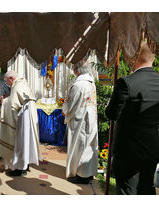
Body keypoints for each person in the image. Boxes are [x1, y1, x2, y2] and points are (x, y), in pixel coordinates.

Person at [106, 41, 159, 195]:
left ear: (135, 57)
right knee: (146, 189)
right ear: (153, 59)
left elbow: (111, 114)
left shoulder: (127, 83)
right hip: (152, 148)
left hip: (129, 152)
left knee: (128, 192)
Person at [62, 58, 98, 184]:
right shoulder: (90, 82)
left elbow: (72, 103)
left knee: (79, 146)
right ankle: (88, 173)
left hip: (80, 120)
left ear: (77, 70)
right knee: (89, 146)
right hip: (90, 118)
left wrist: (65, 111)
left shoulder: (79, 84)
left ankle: (81, 175)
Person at [0, 70, 42, 176]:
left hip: (23, 117)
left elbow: (13, 105)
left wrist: (4, 102)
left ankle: (20, 168)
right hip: (29, 114)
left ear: (11, 79)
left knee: (20, 142)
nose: (8, 84)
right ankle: (25, 164)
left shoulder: (16, 86)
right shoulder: (23, 83)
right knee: (27, 142)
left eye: (7, 82)